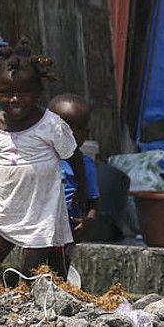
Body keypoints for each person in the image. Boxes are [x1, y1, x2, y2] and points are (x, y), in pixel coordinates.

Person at [0, 40, 81, 280]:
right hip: (6, 207)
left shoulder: (51, 125)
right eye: (6, 93)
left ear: (38, 93)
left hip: (41, 210)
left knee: (30, 274)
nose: (15, 99)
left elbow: (74, 157)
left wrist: (85, 198)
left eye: (23, 93)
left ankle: (47, 301)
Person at [48, 93, 99, 262]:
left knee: (59, 265)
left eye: (80, 128)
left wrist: (88, 221)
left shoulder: (86, 166)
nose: (72, 134)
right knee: (33, 264)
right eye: (66, 127)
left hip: (67, 229)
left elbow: (93, 202)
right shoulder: (40, 158)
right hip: (38, 225)